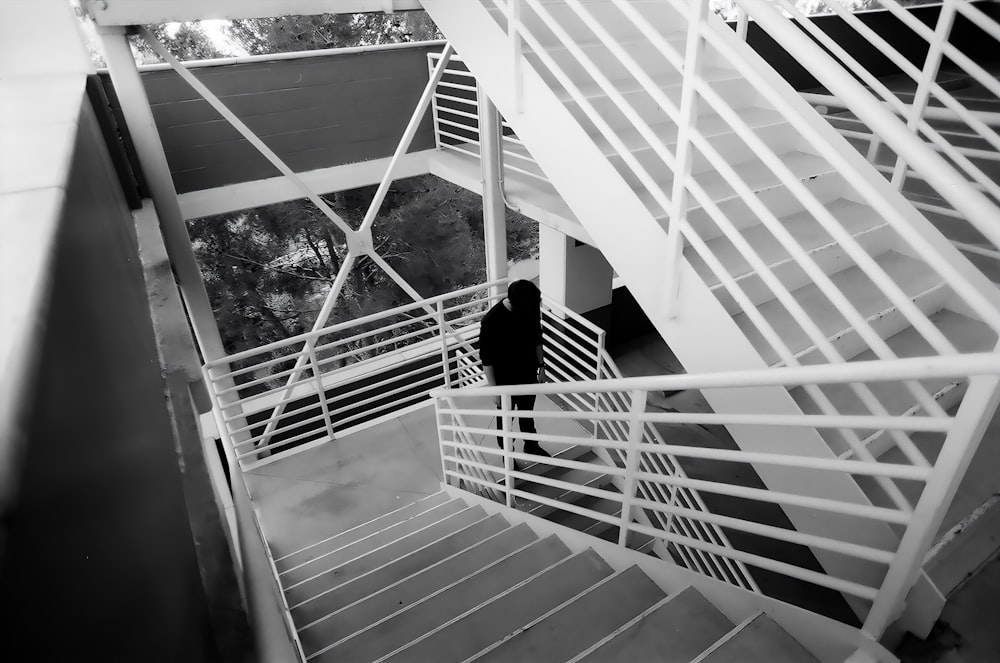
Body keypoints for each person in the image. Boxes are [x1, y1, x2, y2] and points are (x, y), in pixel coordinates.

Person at [478, 280, 550, 459]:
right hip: (505, 379)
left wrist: (541, 366)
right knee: (505, 421)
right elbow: (486, 359)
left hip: (528, 371)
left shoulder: (530, 307)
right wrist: (495, 389)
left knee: (527, 412)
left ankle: (531, 445)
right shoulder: (491, 321)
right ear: (515, 303)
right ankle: (507, 457)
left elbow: (536, 338)